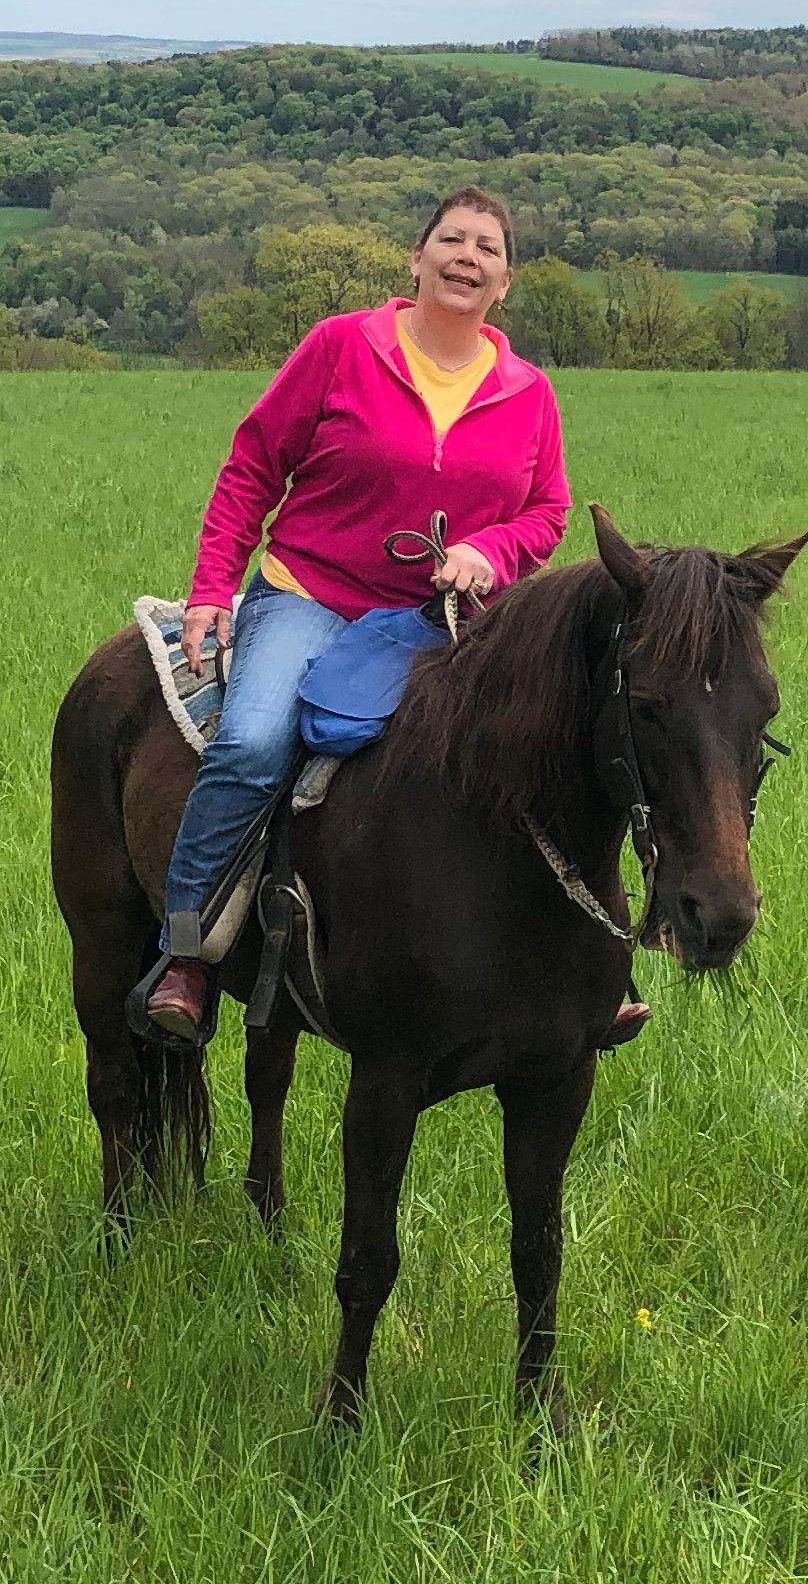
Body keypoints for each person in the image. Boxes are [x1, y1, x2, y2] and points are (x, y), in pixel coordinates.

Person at [145, 186, 570, 1046]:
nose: (467, 257)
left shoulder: (528, 391)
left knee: (548, 745)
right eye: (451, 240)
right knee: (257, 740)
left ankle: (575, 967)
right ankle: (186, 951)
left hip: (447, 618)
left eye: (486, 248)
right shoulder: (343, 346)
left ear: (505, 283)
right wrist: (209, 589)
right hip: (315, 597)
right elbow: (254, 465)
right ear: (415, 261)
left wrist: (490, 551)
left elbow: (549, 511)